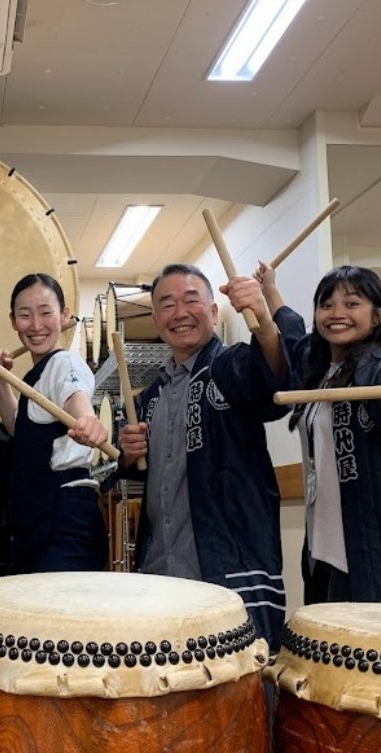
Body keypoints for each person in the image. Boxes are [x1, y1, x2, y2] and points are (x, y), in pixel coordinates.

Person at [254, 261, 381, 606]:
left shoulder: (379, 365)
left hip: (372, 541)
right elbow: (289, 329)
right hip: (321, 545)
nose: (337, 313)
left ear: (377, 316)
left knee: (377, 646)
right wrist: (268, 287)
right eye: (327, 304)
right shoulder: (315, 366)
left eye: (352, 304)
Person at [118, 264, 293, 649]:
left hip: (228, 574)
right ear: (155, 319)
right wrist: (128, 455)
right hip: (161, 572)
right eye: (167, 304)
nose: (179, 312)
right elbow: (142, 474)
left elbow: (275, 385)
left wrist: (263, 317)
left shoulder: (229, 366)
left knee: (240, 694)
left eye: (191, 300)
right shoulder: (151, 397)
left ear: (214, 312)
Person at [0, 273, 108, 573]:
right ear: (14, 321)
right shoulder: (38, 376)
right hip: (38, 518)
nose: (36, 325)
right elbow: (20, 428)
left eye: (46, 312)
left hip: (66, 520)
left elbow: (75, 397)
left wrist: (87, 420)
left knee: (58, 617)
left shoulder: (63, 363)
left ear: (64, 315)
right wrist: (1, 380)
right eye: (25, 315)